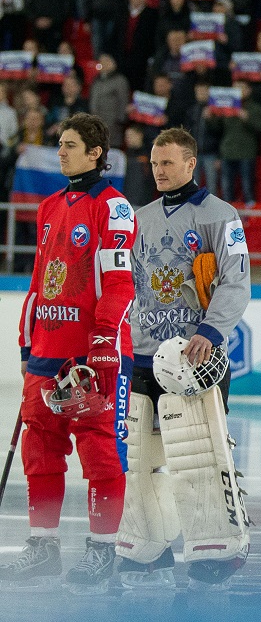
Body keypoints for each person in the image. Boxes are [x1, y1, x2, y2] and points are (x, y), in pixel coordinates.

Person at [0, 114, 137, 587]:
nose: (60, 152)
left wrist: (102, 343)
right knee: (39, 449)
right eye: (59, 144)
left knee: (100, 454)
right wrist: (25, 339)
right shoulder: (49, 206)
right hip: (47, 353)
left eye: (70, 145)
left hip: (93, 358)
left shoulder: (114, 207)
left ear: (96, 153)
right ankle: (42, 546)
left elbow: (121, 285)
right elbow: (40, 283)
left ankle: (102, 551)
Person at [117, 127, 251, 586]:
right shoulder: (141, 218)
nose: (159, 171)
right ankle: (147, 544)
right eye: (155, 163)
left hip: (192, 356)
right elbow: (128, 285)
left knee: (200, 452)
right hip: (142, 352)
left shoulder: (221, 215)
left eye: (168, 162)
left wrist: (212, 332)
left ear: (191, 163)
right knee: (138, 454)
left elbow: (236, 280)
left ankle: (218, 544)